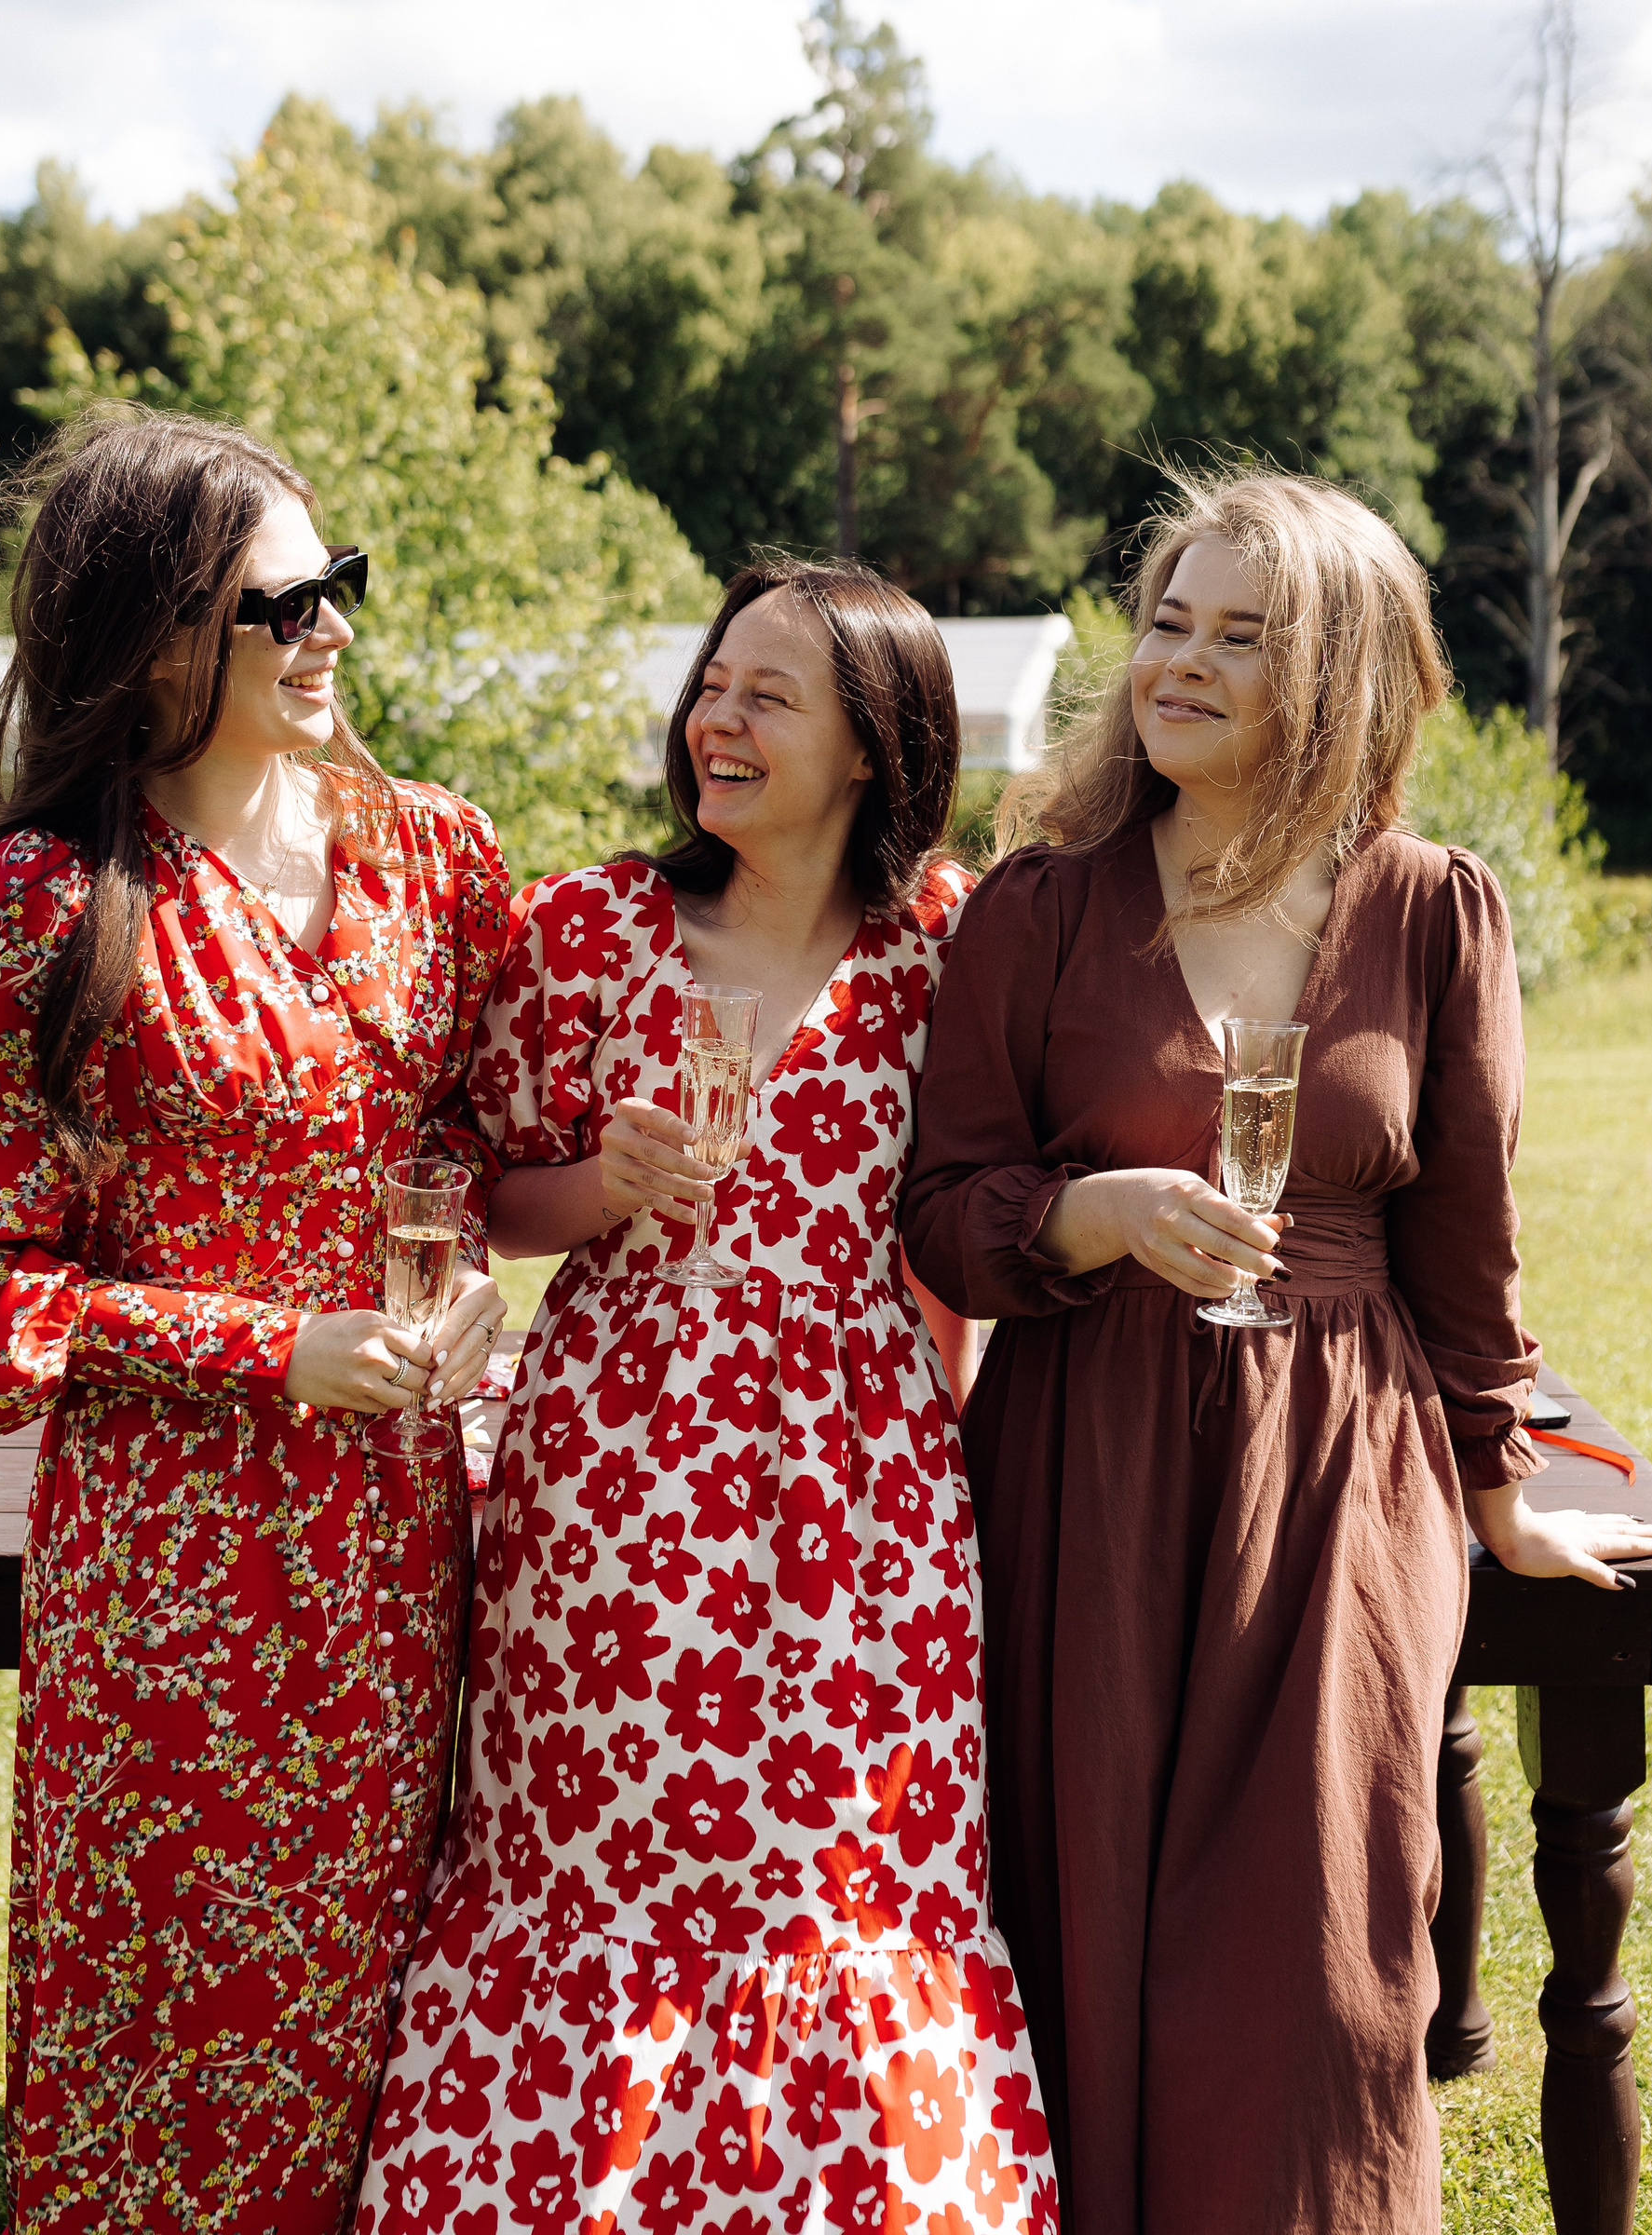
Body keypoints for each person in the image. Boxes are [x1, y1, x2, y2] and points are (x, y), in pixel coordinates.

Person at [898, 469, 1652, 2235]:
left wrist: (1498, 1488)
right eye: (1167, 620)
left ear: (1337, 677)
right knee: (1074, 1902)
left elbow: (1466, 1242)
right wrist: (1091, 1216)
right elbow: (943, 1211)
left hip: (1339, 1465)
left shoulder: (1431, 910)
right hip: (1084, 1457)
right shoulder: (1040, 906)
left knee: (1320, 1945)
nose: (1178, 661)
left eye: (1240, 636)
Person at [357, 560, 1057, 2235]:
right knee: (596, 1868)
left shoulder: (944, 948)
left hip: (865, 1501)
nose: (713, 723)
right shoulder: (591, 928)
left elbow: (959, 1224)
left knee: (844, 1874)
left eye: (767, 697)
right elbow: (480, 1188)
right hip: (613, 1485)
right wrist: (602, 1185)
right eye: (712, 685)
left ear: (874, 746)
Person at [0, 409, 512, 2234]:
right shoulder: (50, 899)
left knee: (375, 2016)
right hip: (171, 1576)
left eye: (341, 584)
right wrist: (265, 1346)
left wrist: (468, 1285)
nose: (333, 629)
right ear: (156, 634)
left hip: (392, 1552)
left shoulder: (436, 862)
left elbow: (484, 1151)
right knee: (175, 2028)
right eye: (282, 603)